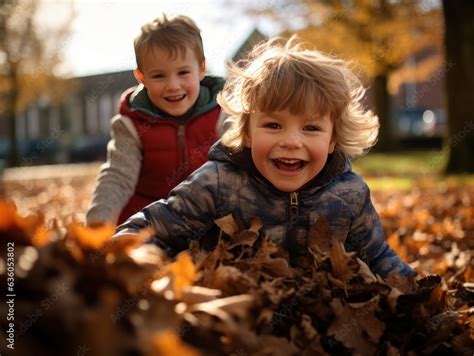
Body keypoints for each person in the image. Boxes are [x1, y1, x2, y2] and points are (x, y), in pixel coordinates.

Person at [115, 36, 416, 278]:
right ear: (246, 132)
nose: (291, 141)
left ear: (333, 139)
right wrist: (122, 260)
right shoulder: (218, 182)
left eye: (311, 127)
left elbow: (377, 256)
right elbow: (157, 225)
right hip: (235, 317)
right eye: (273, 125)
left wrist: (415, 291)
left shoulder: (349, 195)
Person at [86, 14, 226, 226]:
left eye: (183, 72)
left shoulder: (222, 114)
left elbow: (242, 167)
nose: (172, 85)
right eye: (159, 76)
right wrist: (99, 223)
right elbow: (117, 177)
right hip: (148, 219)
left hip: (205, 217)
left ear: (201, 69)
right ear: (141, 77)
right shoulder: (131, 125)